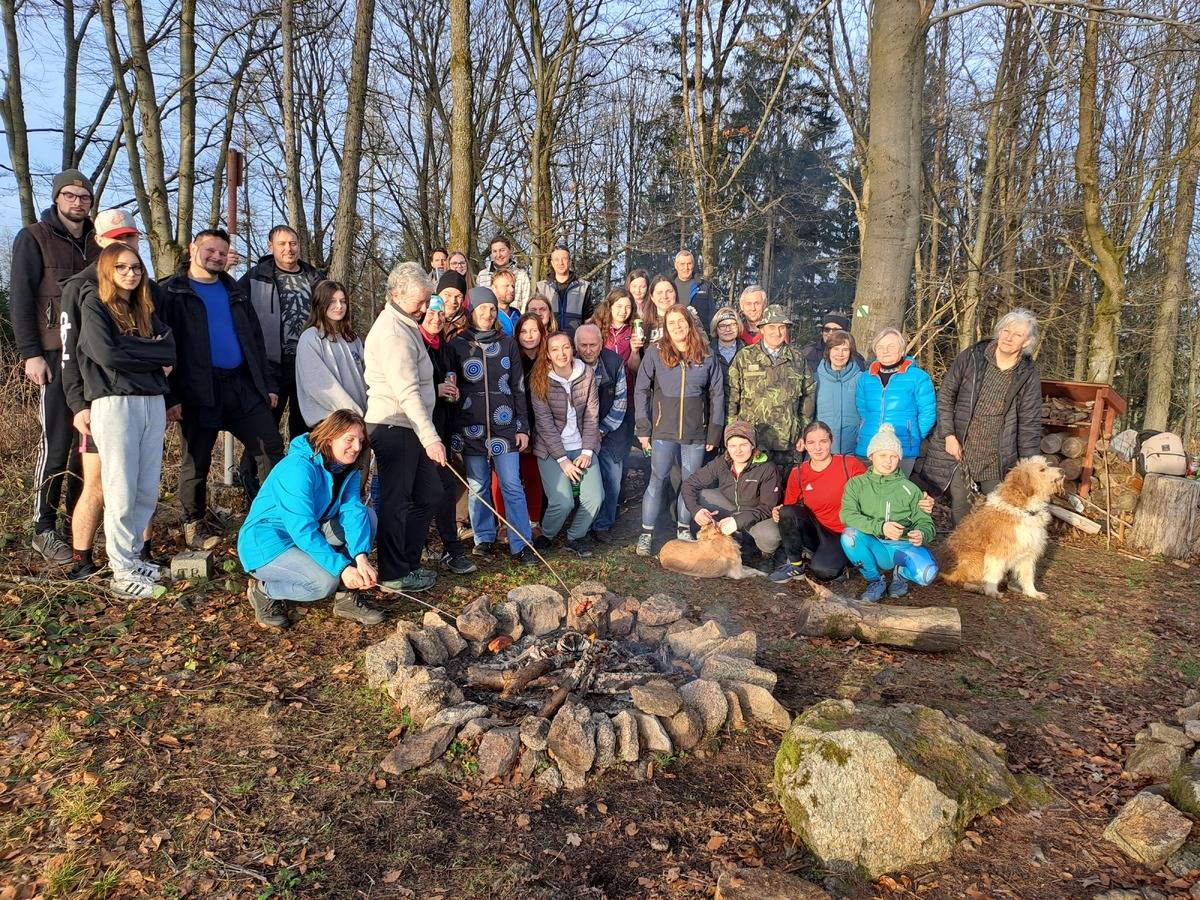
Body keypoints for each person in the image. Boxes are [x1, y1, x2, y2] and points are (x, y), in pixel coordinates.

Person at [160, 229, 284, 550]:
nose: (216, 257)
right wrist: (170, 397)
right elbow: (162, 349)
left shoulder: (235, 291)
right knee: (196, 461)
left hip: (241, 386)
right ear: (192, 249)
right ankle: (193, 524)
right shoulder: (172, 293)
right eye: (209, 250)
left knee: (270, 448)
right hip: (197, 389)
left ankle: (271, 518)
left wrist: (266, 384)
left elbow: (255, 340)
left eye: (221, 252)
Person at [73, 244, 175, 598]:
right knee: (120, 488)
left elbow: (169, 349)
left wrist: (137, 350)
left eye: (136, 268)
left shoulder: (144, 308)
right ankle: (121, 572)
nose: (131, 274)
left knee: (146, 487)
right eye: (122, 268)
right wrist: (150, 355)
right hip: (114, 403)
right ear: (107, 271)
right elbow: (105, 353)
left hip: (151, 401)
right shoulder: (94, 304)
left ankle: (133, 557)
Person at [60, 208, 155, 580]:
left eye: (130, 237)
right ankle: (82, 559)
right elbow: (72, 352)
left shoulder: (144, 288)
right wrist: (76, 402)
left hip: (142, 399)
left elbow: (163, 344)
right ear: (99, 241)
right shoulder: (79, 287)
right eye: (116, 239)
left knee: (140, 482)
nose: (124, 243)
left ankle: (139, 554)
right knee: (100, 482)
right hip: (99, 402)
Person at [11, 168, 100, 563]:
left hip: (92, 360)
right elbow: (20, 298)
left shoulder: (99, 244)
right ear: (57, 198)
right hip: (51, 354)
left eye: (84, 196)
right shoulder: (34, 238)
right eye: (70, 195)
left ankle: (73, 524)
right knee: (57, 442)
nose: (77, 202)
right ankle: (42, 528)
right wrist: (30, 353)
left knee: (88, 446)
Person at [238, 409, 383, 629]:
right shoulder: (298, 468)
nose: (356, 447)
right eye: (349, 439)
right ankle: (264, 591)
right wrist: (343, 568)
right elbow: (303, 530)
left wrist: (360, 557)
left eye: (360, 441)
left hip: (307, 534)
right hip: (268, 543)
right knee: (324, 582)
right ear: (329, 437)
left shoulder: (348, 469)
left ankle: (346, 598)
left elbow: (353, 511)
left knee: (367, 516)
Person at [364, 262, 447, 593]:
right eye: (421, 300)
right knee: (396, 503)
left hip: (410, 428)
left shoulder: (406, 322)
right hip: (393, 427)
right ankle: (393, 572)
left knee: (430, 493)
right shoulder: (394, 333)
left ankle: (408, 562)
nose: (426, 307)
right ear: (397, 294)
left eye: (428, 299)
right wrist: (431, 438)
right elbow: (407, 392)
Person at [919, 309, 1043, 523]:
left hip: (997, 455)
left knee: (1001, 509)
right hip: (960, 448)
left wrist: (1030, 465)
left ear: (1026, 342)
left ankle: (995, 552)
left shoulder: (1027, 375)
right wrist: (948, 434)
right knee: (962, 503)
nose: (1008, 337)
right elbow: (946, 395)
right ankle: (962, 552)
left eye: (1017, 334)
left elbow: (1029, 423)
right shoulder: (973, 356)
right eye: (1006, 330)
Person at [446, 287, 537, 565]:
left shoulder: (507, 343)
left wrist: (522, 427)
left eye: (492, 308)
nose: (488, 313)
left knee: (511, 484)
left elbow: (519, 388)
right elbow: (451, 388)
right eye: (482, 307)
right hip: (471, 427)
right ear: (471, 310)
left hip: (505, 427)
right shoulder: (457, 345)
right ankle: (483, 537)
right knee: (478, 485)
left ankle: (521, 543)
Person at [634, 305, 725, 555]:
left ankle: (684, 528)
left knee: (690, 482)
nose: (677, 326)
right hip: (663, 430)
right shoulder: (656, 351)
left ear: (689, 323)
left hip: (696, 432)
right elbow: (641, 389)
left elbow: (717, 393)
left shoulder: (706, 354)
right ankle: (646, 532)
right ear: (665, 326)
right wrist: (643, 427)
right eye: (671, 322)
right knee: (657, 479)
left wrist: (715, 431)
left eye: (681, 321)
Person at [239, 225, 325, 448]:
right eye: (282, 244)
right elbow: (235, 311)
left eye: (293, 243)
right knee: (265, 427)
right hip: (270, 366)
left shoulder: (315, 278)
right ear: (271, 247)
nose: (289, 249)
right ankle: (252, 476)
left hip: (306, 364)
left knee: (305, 427)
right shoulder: (257, 277)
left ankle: (299, 473)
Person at [840, 424, 938, 602]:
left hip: (902, 547)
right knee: (849, 536)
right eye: (882, 455)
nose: (888, 461)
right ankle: (875, 581)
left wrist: (922, 534)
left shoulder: (910, 489)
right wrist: (881, 527)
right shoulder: (856, 484)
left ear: (899, 458)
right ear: (871, 456)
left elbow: (926, 523)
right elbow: (847, 515)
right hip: (874, 545)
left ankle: (901, 575)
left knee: (927, 574)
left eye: (893, 456)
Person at [530, 332, 602, 557]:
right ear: (548, 355)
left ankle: (575, 537)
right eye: (555, 349)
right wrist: (563, 460)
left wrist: (588, 451)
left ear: (573, 349)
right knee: (563, 502)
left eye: (566, 347)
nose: (561, 353)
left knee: (595, 497)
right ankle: (546, 535)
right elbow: (544, 424)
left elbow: (592, 415)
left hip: (582, 446)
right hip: (551, 450)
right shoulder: (539, 378)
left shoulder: (587, 373)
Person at [418, 297, 476, 575]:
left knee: (445, 488)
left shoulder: (447, 347)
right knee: (425, 492)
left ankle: (453, 551)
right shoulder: (414, 343)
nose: (436, 318)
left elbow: (454, 379)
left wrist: (453, 391)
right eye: (431, 312)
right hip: (415, 428)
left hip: (442, 425)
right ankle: (419, 550)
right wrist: (435, 390)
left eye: (441, 314)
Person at [726, 304, 815, 473]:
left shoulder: (797, 358)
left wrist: (804, 432)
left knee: (784, 491)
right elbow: (731, 395)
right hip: (752, 441)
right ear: (762, 330)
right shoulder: (745, 356)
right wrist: (732, 433)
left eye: (782, 327)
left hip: (787, 441)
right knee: (752, 490)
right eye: (772, 327)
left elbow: (808, 395)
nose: (777, 332)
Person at [681, 420, 780, 562]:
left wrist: (736, 521)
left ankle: (766, 556)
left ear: (752, 445)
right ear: (727, 446)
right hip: (729, 506)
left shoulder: (767, 468)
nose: (738, 451)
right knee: (702, 495)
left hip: (756, 515)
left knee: (770, 534)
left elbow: (767, 508)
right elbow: (689, 484)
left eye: (743, 445)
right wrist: (695, 510)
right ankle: (722, 540)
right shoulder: (722, 462)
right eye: (732, 445)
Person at [492, 312, 549, 529]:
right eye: (524, 331)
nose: (529, 336)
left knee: (533, 475)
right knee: (506, 478)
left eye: (534, 330)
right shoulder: (510, 357)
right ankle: (505, 523)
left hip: (539, 427)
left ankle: (533, 522)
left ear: (542, 333)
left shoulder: (547, 361)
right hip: (510, 423)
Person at [854, 327, 936, 476]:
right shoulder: (865, 378)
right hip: (868, 444)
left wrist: (914, 436)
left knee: (896, 495)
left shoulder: (918, 377)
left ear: (902, 350)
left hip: (903, 447)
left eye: (891, 346)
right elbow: (862, 409)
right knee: (867, 494)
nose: (885, 351)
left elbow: (928, 413)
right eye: (880, 347)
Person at [574, 324, 629, 543]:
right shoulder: (569, 362)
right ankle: (582, 524)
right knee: (582, 479)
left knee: (612, 479)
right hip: (578, 433)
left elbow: (621, 401)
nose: (588, 350)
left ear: (601, 343)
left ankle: (603, 524)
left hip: (610, 429)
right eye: (583, 345)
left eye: (593, 345)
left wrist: (601, 430)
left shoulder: (614, 363)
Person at [294, 281, 367, 427]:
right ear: (320, 304)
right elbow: (318, 387)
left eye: (343, 301)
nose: (339, 306)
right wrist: (354, 414)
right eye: (332, 301)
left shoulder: (353, 339)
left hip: (360, 422)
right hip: (331, 423)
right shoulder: (311, 338)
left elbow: (367, 378)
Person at [813, 329, 864, 455]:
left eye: (845, 350)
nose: (840, 354)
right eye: (836, 349)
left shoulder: (861, 379)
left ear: (851, 353)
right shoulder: (815, 378)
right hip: (822, 448)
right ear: (829, 350)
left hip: (853, 446)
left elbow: (867, 411)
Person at [535, 245, 593, 336]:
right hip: (548, 341)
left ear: (569, 262)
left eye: (564, 259)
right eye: (557, 259)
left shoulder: (583, 287)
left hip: (574, 343)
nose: (561, 263)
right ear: (552, 263)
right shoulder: (542, 287)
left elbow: (588, 319)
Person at [592, 287, 645, 381]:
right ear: (610, 306)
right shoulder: (596, 328)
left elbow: (636, 370)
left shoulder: (634, 330)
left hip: (627, 386)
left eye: (627, 307)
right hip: (603, 385)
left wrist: (635, 351)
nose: (623, 311)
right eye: (619, 306)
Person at [476, 234, 532, 311]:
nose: (499, 255)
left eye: (502, 250)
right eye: (495, 251)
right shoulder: (482, 275)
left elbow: (526, 305)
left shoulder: (521, 275)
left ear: (510, 251)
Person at [671, 249, 716, 329]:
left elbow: (712, 314)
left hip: (699, 334)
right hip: (675, 332)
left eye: (689, 264)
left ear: (693, 265)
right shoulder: (669, 286)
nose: (686, 267)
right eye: (682, 264)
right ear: (676, 265)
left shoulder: (704, 286)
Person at [642, 275, 678, 343]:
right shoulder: (643, 324)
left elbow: (702, 346)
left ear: (675, 293)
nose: (665, 296)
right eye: (659, 293)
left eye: (669, 291)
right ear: (652, 297)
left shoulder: (688, 318)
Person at [436, 270, 469, 340]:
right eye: (447, 294)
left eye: (458, 296)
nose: (453, 301)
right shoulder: (425, 320)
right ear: (438, 294)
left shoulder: (469, 323)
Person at [709, 307, 744, 371]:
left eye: (732, 325)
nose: (728, 329)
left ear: (738, 326)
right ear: (715, 328)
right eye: (722, 326)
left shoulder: (747, 350)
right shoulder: (707, 352)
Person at [490, 269, 521, 336]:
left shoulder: (517, 315)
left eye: (513, 286)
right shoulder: (490, 316)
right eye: (506, 286)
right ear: (494, 289)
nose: (511, 290)